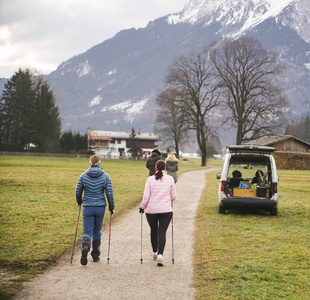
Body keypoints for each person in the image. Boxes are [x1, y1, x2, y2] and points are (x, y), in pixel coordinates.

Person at [76, 155, 115, 266]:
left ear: (90, 162)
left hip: (88, 206)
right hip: (100, 207)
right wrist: (111, 207)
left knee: (87, 231)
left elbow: (78, 191)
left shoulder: (83, 176)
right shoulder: (105, 176)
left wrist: (79, 201)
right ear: (99, 163)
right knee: (97, 231)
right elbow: (109, 193)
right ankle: (95, 255)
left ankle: (85, 247)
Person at [139, 160, 177, 266]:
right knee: (162, 232)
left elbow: (146, 196)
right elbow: (174, 196)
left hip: (151, 210)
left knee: (154, 230)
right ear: (165, 168)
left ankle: (154, 252)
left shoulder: (150, 179)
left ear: (155, 168)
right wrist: (165, 199)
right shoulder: (170, 179)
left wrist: (142, 207)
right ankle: (160, 255)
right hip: (166, 210)